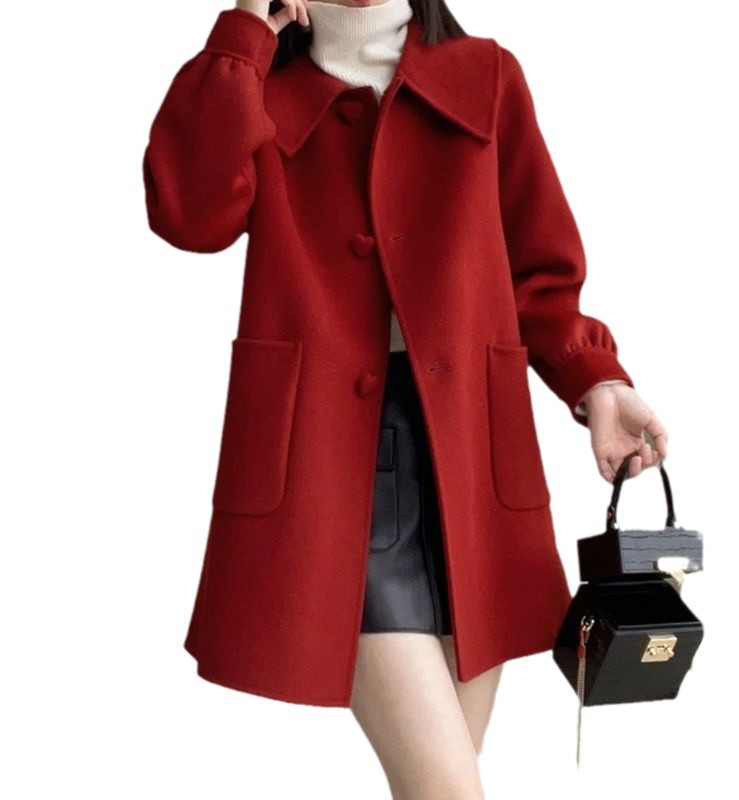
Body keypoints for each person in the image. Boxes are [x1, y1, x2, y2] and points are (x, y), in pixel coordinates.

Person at [142, 1, 668, 796]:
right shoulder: (256, 89)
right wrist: (246, 32)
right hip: (328, 464)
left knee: (440, 786)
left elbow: (539, 273)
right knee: (447, 789)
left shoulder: (487, 77)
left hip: (470, 466)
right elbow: (188, 211)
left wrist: (597, 382)